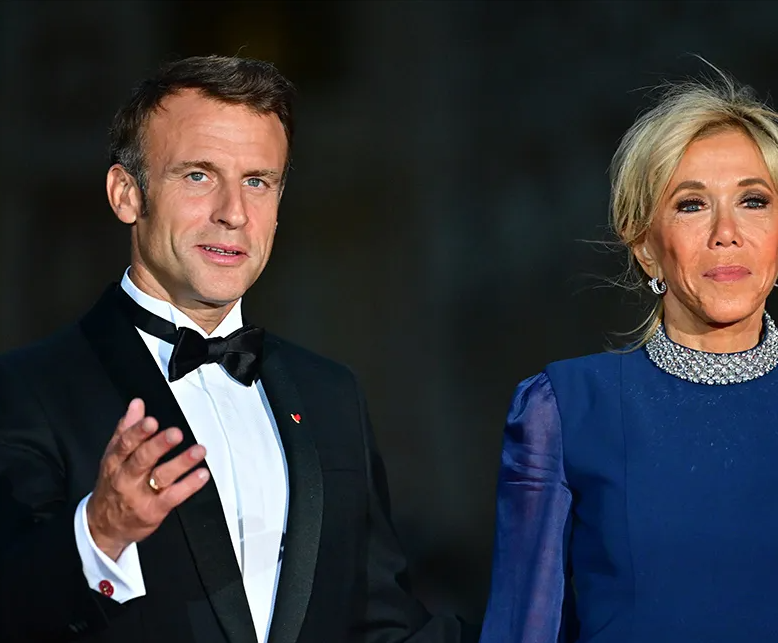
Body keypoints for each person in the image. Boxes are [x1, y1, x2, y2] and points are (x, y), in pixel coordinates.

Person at [0, 55, 477, 643]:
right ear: (127, 194)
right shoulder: (27, 388)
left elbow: (378, 622)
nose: (233, 213)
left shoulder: (331, 394)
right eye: (198, 175)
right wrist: (100, 533)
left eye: (258, 181)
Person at [478, 69, 778, 643]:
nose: (726, 232)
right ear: (645, 245)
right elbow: (523, 627)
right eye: (692, 205)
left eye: (753, 201)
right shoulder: (563, 408)